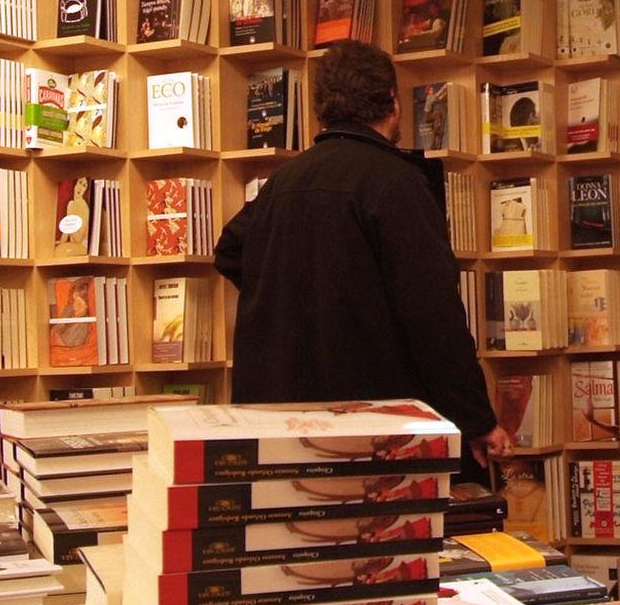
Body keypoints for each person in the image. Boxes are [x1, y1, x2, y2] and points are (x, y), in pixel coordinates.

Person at [215, 40, 511, 469]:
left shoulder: (285, 180)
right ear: (392, 103)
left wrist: (294, 295)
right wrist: (477, 420)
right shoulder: (397, 183)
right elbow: (433, 314)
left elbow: (229, 250)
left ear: (323, 108)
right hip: (373, 422)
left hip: (277, 420)